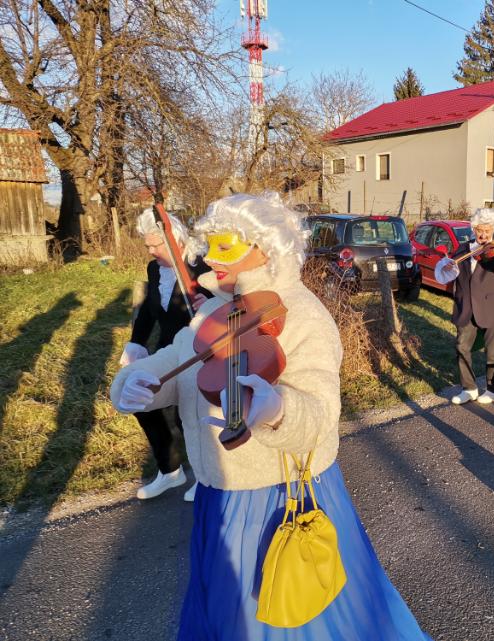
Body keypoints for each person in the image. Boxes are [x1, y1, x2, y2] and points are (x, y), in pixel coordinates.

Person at [111, 193, 432, 640]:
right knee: (222, 614)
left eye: (228, 246)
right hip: (216, 494)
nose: (210, 256)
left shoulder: (303, 315)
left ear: (268, 248)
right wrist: (136, 384)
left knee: (280, 617)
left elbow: (320, 413)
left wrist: (279, 410)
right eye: (210, 244)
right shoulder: (212, 310)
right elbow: (173, 364)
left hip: (276, 499)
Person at [122, 208, 209, 501]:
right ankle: (170, 471)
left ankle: (205, 474)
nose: (151, 250)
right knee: (143, 400)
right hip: (167, 349)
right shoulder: (155, 269)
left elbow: (227, 301)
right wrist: (136, 343)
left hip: (199, 351)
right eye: (148, 245)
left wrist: (208, 303)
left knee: (191, 414)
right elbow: (148, 311)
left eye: (156, 245)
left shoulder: (201, 266)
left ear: (177, 241)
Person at [435, 208, 494, 405]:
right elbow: (450, 273)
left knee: (492, 352)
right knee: (461, 347)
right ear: (473, 229)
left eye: (487, 230)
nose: (483, 235)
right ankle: (469, 388)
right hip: (466, 306)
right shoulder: (464, 249)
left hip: (492, 307)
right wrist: (448, 266)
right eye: (479, 230)